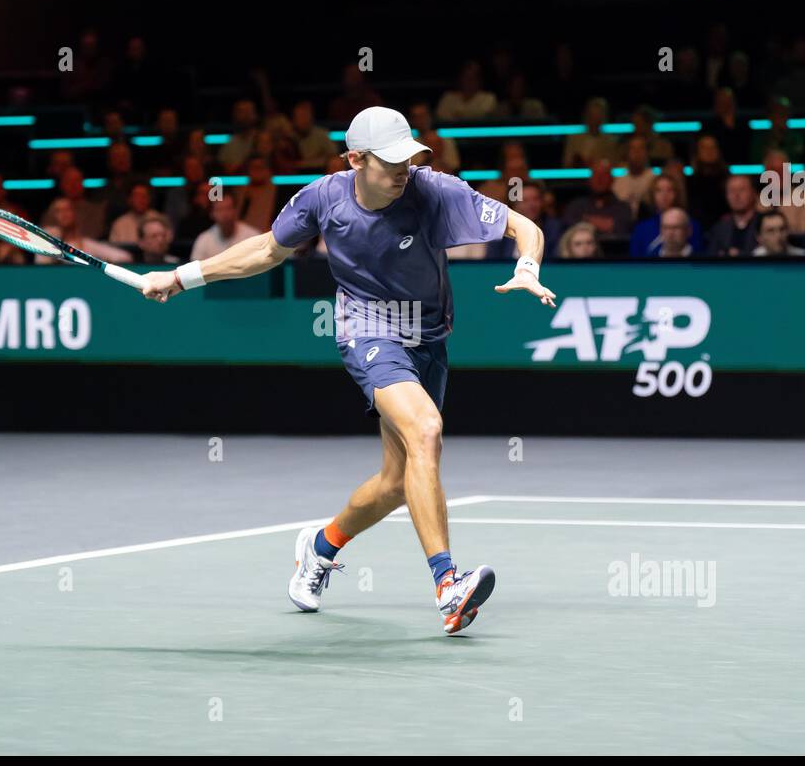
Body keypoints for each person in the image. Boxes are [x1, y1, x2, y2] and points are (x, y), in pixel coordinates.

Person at [137, 107, 556, 635]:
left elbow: (523, 226)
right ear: (356, 159)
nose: (405, 169)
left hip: (429, 337)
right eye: (391, 161)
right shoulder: (323, 199)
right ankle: (449, 585)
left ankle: (319, 547)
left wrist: (527, 266)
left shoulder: (434, 191)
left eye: (409, 158)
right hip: (368, 329)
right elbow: (267, 250)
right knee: (426, 431)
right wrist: (180, 277)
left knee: (397, 481)